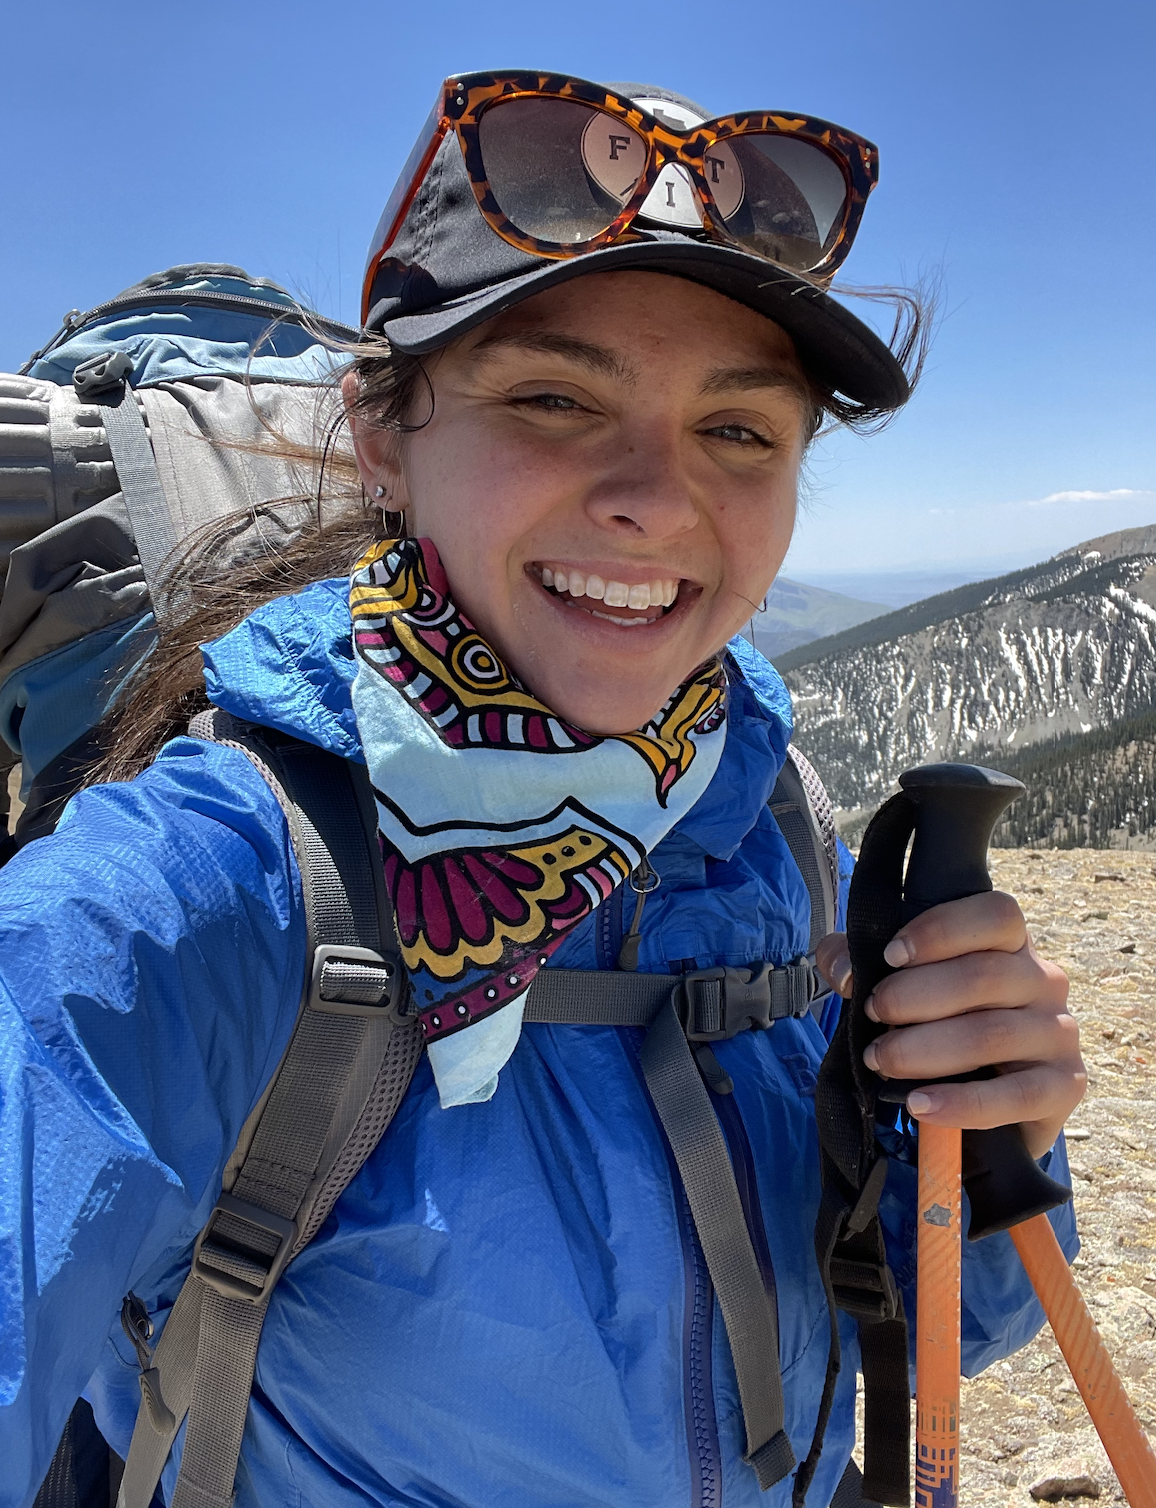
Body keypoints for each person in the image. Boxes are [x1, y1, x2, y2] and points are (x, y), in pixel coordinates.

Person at [0, 72, 1084, 1508]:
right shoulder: (197, 890)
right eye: (554, 398)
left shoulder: (767, 820)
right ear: (383, 438)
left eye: (739, 430)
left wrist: (987, 1139)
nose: (653, 496)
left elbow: (945, 1339)